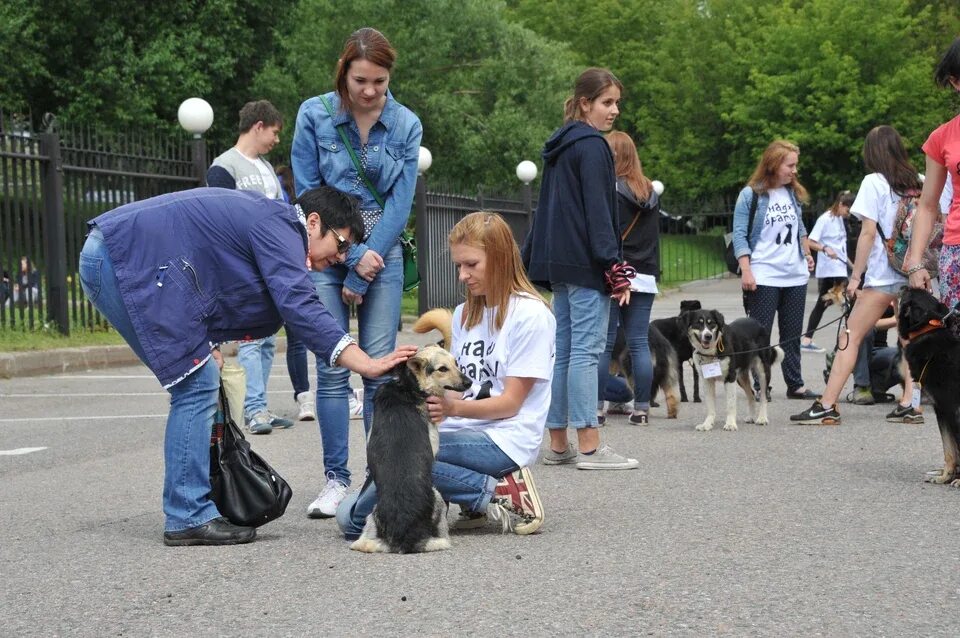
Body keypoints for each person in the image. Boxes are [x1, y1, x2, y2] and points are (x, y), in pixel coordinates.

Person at [78, 186, 417, 546]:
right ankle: (186, 515)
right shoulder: (283, 227)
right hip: (121, 257)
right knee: (195, 385)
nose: (342, 257)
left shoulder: (274, 223)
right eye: (342, 244)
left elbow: (217, 272)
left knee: (199, 378)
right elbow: (298, 304)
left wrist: (208, 341)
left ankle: (191, 507)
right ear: (314, 222)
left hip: (124, 254)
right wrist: (364, 363)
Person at [337, 211, 554, 537]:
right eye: (458, 266)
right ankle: (465, 499)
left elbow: (510, 404)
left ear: (500, 259)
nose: (462, 275)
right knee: (350, 516)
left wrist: (454, 409)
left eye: (471, 264)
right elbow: (455, 387)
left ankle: (497, 494)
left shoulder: (531, 315)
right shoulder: (465, 314)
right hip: (456, 430)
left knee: (375, 492)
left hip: (505, 438)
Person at [291, 27, 422, 517]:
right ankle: (335, 480)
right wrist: (348, 257)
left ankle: (377, 479)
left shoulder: (406, 125)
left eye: (380, 83)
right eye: (361, 80)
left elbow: (400, 200)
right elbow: (308, 199)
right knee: (331, 369)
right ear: (344, 72)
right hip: (326, 252)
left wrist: (368, 259)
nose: (369, 91)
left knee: (381, 372)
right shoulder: (315, 115)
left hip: (380, 255)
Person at [521, 67, 637, 470]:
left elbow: (549, 210)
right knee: (587, 353)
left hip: (561, 263)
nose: (615, 110)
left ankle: (557, 443)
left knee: (566, 353)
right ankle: (589, 444)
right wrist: (614, 265)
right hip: (587, 263)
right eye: (607, 102)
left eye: (617, 102)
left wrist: (533, 260)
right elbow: (599, 211)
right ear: (585, 103)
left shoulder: (561, 146)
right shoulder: (592, 146)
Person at [792, 126, 923, 425]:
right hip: (914, 271)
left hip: (883, 274)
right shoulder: (919, 182)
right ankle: (911, 403)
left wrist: (855, 279)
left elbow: (866, 233)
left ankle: (827, 404)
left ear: (872, 152)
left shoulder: (873, 183)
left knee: (848, 336)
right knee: (909, 339)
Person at [206, 100, 295, 433]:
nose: (275, 140)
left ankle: (261, 405)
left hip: (268, 264)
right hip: (243, 265)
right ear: (258, 126)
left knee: (267, 339)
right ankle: (254, 409)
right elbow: (218, 218)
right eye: (273, 132)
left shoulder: (267, 168)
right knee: (250, 340)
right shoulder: (224, 166)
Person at [731, 140, 817, 401]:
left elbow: (798, 227)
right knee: (760, 334)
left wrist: (806, 252)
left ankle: (795, 384)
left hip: (795, 275)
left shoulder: (792, 194)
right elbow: (739, 234)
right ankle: (760, 385)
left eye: (795, 165)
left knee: (792, 333)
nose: (794, 171)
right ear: (773, 164)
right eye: (790, 165)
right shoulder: (752, 195)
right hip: (764, 274)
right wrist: (746, 269)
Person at [597, 131, 661, 426]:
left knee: (605, 343)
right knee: (639, 343)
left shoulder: (609, 190)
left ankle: (597, 409)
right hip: (644, 275)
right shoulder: (650, 191)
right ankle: (642, 408)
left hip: (615, 273)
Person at [906, 36, 960, 307]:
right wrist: (915, 262)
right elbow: (927, 206)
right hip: (957, 251)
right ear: (955, 82)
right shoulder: (942, 138)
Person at [800, 190, 855, 353]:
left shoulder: (840, 220)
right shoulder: (825, 219)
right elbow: (810, 241)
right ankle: (847, 338)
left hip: (839, 269)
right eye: (847, 210)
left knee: (831, 301)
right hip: (830, 271)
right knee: (843, 300)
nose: (848, 214)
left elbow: (840, 250)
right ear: (840, 205)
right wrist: (824, 248)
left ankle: (808, 339)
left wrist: (853, 266)